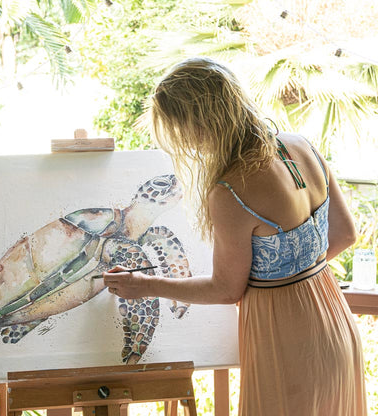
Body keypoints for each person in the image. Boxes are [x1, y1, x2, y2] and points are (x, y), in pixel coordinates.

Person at [103, 56, 367, 415]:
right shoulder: (299, 145)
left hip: (286, 343)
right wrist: (295, 275)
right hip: (336, 323)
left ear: (198, 125)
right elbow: (345, 234)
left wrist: (145, 285)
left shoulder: (231, 191)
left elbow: (227, 289)